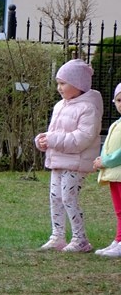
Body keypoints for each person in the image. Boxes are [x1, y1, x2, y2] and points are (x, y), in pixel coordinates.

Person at [34, 59, 104, 253]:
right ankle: (57, 236)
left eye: (63, 83)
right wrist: (42, 140)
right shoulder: (60, 106)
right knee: (55, 197)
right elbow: (53, 133)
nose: (59, 87)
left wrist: (52, 140)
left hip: (76, 163)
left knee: (68, 198)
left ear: (78, 84)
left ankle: (80, 239)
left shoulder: (88, 108)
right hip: (58, 161)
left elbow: (82, 138)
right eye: (58, 83)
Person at [93, 83, 121, 257]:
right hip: (115, 174)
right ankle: (118, 240)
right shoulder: (116, 124)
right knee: (119, 210)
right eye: (119, 100)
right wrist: (100, 159)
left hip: (117, 171)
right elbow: (108, 145)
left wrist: (106, 161)